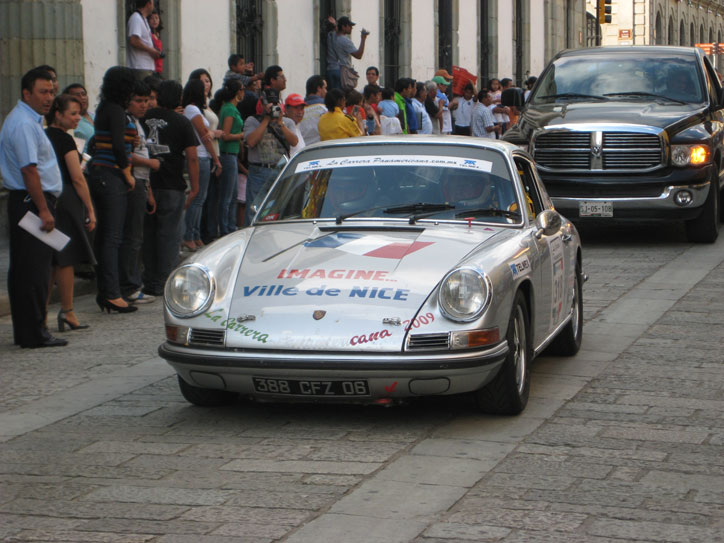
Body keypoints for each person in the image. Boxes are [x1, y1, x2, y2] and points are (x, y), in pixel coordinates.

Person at [0, 67, 66, 348]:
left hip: (28, 200)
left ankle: (30, 330)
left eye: (51, 91)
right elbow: (29, 170)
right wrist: (44, 210)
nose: (49, 97)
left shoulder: (29, 120)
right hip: (30, 202)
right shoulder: (24, 124)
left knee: (28, 269)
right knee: (34, 272)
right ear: (26, 93)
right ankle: (34, 332)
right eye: (43, 92)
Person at [86, 66, 138, 314]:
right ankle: (113, 293)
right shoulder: (116, 110)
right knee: (112, 237)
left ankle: (106, 292)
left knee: (107, 237)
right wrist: (127, 172)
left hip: (101, 172)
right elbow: (117, 146)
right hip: (112, 175)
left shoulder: (105, 108)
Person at [142, 80, 199, 296]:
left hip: (147, 182)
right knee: (169, 235)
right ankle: (165, 282)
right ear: (179, 98)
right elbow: (192, 157)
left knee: (148, 235)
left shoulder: (144, 118)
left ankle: (149, 280)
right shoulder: (181, 122)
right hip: (172, 184)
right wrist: (195, 187)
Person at [45, 94, 97, 330]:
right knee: (65, 259)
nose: (77, 118)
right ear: (58, 114)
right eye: (73, 114)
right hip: (66, 198)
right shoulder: (65, 141)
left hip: (48, 197)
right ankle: (67, 311)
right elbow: (77, 178)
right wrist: (89, 208)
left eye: (79, 113)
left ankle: (42, 311)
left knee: (50, 260)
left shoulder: (43, 135)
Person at [121, 80, 159, 304]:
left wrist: (149, 189)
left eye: (147, 100)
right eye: (139, 101)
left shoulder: (137, 122)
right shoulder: (127, 122)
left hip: (142, 181)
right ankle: (130, 285)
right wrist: (150, 163)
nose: (144, 105)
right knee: (133, 236)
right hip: (133, 180)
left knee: (137, 235)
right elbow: (125, 153)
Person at [243, 76, 298, 225]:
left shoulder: (287, 122)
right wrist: (266, 120)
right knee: (254, 210)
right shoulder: (252, 121)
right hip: (259, 171)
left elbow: (294, 141)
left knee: (278, 209)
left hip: (280, 169)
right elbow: (251, 142)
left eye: (275, 103)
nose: (273, 107)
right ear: (262, 103)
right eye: (270, 103)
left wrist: (280, 123)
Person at [182, 79, 223, 251]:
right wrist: (216, 159)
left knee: (201, 198)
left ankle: (196, 234)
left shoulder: (196, 109)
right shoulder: (192, 109)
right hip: (200, 155)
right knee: (198, 198)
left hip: (203, 155)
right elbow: (204, 136)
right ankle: (189, 235)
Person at [216, 79, 244, 236]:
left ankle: (230, 226)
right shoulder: (230, 110)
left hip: (231, 154)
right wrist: (241, 135)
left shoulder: (229, 108)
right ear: (238, 92)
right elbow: (225, 135)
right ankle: (225, 228)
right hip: (228, 154)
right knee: (227, 196)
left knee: (232, 194)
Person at [326, 15, 369, 90]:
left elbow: (336, 30)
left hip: (330, 70)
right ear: (343, 27)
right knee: (341, 98)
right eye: (349, 26)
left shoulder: (331, 35)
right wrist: (363, 39)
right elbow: (358, 55)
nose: (351, 28)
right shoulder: (345, 41)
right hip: (341, 72)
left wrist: (335, 24)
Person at [127, 0, 160, 80]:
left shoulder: (143, 19)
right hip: (140, 67)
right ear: (148, 3)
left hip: (146, 67)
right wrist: (151, 50)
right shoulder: (136, 18)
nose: (153, 5)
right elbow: (134, 40)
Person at [299, 75, 328, 145]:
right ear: (319, 88)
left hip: (303, 151)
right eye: (325, 88)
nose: (326, 91)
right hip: (321, 148)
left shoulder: (298, 110)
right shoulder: (325, 108)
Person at [148, 9, 163, 76]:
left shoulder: (157, 34)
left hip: (159, 68)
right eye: (152, 18)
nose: (155, 21)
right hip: (152, 67)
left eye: (156, 18)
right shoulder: (149, 34)